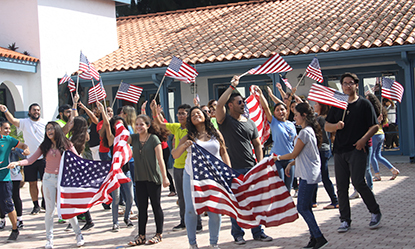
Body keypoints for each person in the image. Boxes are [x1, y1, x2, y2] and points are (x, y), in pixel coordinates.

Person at [8, 122, 85, 248]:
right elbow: (31, 159)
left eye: (51, 129)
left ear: (57, 130)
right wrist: (17, 163)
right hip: (48, 179)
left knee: (67, 209)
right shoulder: (44, 145)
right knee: (49, 210)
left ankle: (78, 234)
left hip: (62, 180)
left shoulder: (66, 144)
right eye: (47, 129)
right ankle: (49, 240)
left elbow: (77, 159)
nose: (49, 131)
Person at [216, 76, 272, 245]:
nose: (243, 104)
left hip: (251, 168)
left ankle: (258, 232)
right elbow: (219, 105)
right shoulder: (225, 121)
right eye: (240, 102)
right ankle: (238, 234)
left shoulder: (250, 123)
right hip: (232, 169)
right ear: (231, 105)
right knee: (236, 204)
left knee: (255, 202)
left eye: (244, 102)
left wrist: (260, 165)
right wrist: (232, 86)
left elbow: (257, 145)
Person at [325, 72, 381, 233]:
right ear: (341, 86)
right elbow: (327, 125)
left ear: (356, 85)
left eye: (351, 83)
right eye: (345, 83)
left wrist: (363, 140)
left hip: (357, 149)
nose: (348, 86)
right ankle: (345, 220)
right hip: (340, 150)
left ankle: (375, 212)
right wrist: (336, 127)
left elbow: (374, 126)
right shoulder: (338, 105)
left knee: (358, 182)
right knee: (341, 187)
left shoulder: (364, 104)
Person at [172, 106, 231, 249]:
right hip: (191, 176)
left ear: (205, 116)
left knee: (214, 210)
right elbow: (175, 154)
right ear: (190, 120)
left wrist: (227, 172)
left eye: (198, 113)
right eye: (192, 115)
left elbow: (224, 153)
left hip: (213, 176)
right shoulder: (188, 136)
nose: (196, 115)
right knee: (191, 210)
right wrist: (184, 145)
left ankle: (213, 243)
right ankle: (192, 243)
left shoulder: (215, 134)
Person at [273, 102, 328, 249]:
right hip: (308, 173)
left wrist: (277, 158)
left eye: (296, 115)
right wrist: (291, 164)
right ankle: (313, 238)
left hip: (308, 175)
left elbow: (294, 153)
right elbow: (303, 154)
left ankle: (319, 237)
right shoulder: (308, 130)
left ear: (304, 116)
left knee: (302, 208)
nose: (294, 118)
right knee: (307, 207)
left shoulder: (305, 132)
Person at [151, 100, 203, 232]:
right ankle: (184, 221)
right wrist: (154, 112)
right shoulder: (176, 127)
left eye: (183, 114)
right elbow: (160, 124)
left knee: (192, 196)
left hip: (190, 166)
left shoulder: (193, 130)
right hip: (177, 167)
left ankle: (197, 222)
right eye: (179, 114)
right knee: (181, 196)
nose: (180, 116)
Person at [127, 114, 170, 246]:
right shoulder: (133, 138)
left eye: (142, 124)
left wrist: (165, 177)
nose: (139, 127)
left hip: (153, 178)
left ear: (147, 125)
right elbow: (116, 139)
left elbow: (160, 159)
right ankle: (141, 235)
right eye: (137, 124)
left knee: (156, 206)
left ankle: (159, 234)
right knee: (142, 209)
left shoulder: (154, 139)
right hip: (139, 178)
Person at [0, 103, 47, 215]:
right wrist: (6, 110)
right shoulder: (25, 122)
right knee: (32, 183)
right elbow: (12, 120)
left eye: (38, 110)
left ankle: (45, 202)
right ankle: (36, 205)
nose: (36, 112)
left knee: (45, 183)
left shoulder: (45, 123)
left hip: (44, 157)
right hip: (29, 158)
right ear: (29, 111)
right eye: (34, 110)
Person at [259, 86, 297, 192]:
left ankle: (288, 208)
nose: (280, 112)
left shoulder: (292, 124)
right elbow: (266, 108)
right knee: (280, 186)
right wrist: (262, 94)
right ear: (274, 113)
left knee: (288, 187)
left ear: (286, 111)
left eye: (282, 109)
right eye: (277, 110)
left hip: (290, 158)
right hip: (277, 159)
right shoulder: (274, 122)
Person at [0, 118, 30, 241]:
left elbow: (23, 145)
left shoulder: (8, 140)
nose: (8, 130)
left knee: (8, 204)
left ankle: (14, 229)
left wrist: (26, 149)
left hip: (4, 178)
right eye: (5, 128)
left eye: (8, 128)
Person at [366, 94, 400, 181]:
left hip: (375, 134)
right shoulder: (381, 111)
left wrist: (377, 122)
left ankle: (377, 175)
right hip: (381, 134)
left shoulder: (371, 111)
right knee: (378, 155)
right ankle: (393, 170)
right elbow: (385, 123)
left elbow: (370, 124)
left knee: (372, 156)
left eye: (367, 99)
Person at [312, 102, 339, 209]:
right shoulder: (319, 118)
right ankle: (313, 200)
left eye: (316, 104)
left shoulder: (321, 119)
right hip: (322, 149)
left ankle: (335, 200)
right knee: (316, 175)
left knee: (323, 176)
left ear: (321, 106)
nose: (314, 105)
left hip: (322, 150)